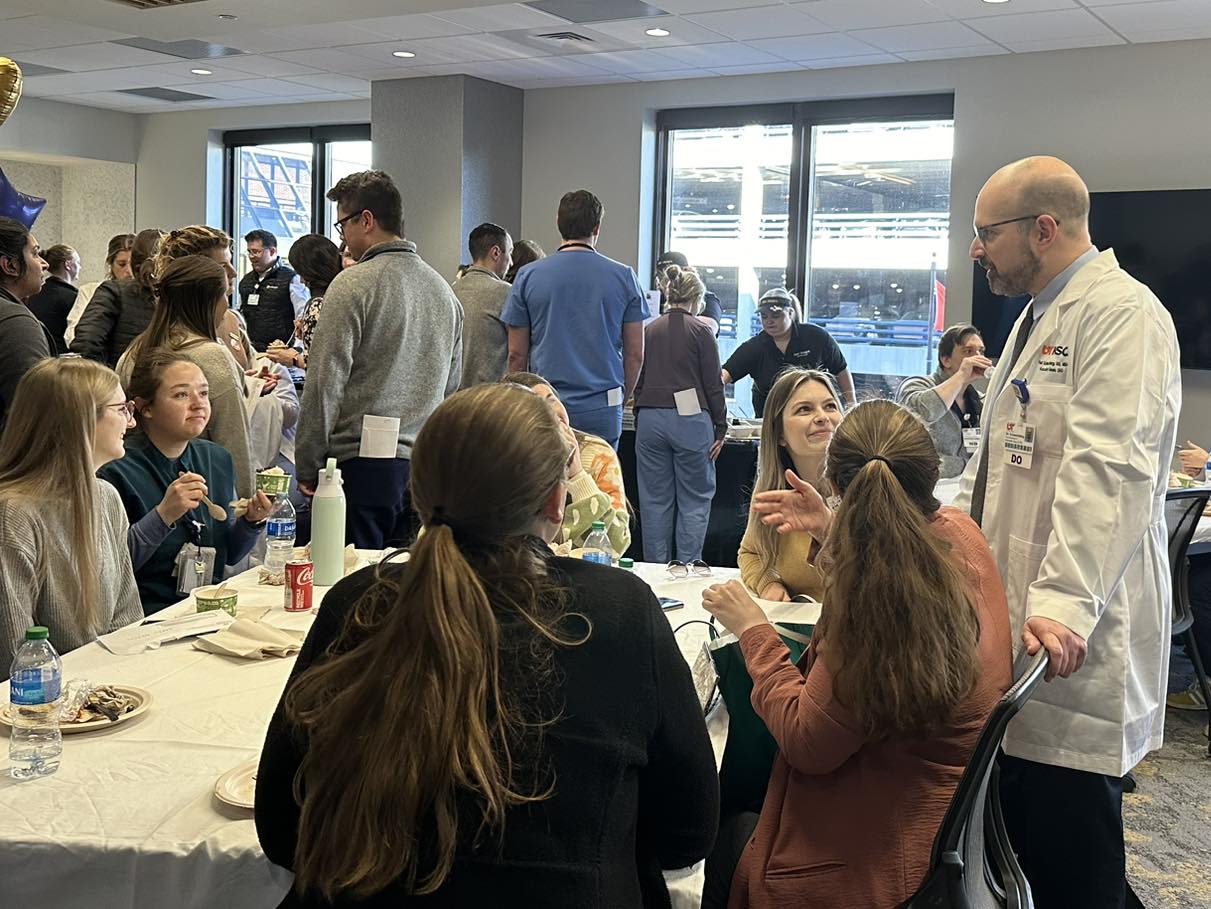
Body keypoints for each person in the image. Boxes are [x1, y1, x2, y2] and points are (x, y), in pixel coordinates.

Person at [256, 383, 718, 907]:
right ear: (554, 498)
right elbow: (688, 834)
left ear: (418, 491)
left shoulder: (357, 604)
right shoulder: (621, 610)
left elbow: (282, 828)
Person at [957, 155, 1180, 909]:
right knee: (1033, 844)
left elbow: (1108, 471)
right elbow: (992, 468)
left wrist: (1062, 601)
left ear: (1042, 229)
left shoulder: (1123, 315)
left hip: (1068, 636)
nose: (975, 250)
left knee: (1072, 850)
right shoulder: (1034, 314)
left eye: (986, 233)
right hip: (1019, 627)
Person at [701, 398, 1012, 909]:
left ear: (837, 484)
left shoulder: (875, 611)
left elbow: (807, 744)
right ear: (931, 471)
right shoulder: (960, 533)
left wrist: (755, 632)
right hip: (936, 825)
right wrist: (831, 530)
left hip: (873, 857)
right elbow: (900, 561)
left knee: (723, 828)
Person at [295, 170, 462, 548]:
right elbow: (451, 392)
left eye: (342, 226)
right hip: (424, 469)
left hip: (360, 468)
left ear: (366, 220)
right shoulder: (444, 293)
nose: (343, 239)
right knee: (407, 586)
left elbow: (324, 383)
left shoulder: (352, 285)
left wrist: (307, 463)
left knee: (355, 591)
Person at [99, 349, 273, 615]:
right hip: (146, 617)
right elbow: (111, 571)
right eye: (181, 394)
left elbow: (228, 555)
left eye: (203, 393)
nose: (198, 403)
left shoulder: (217, 458)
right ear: (144, 408)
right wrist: (162, 516)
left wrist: (251, 523)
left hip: (210, 607)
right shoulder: (115, 469)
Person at [0, 358, 143, 668]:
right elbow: (14, 657)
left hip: (108, 691)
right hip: (40, 705)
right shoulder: (13, 515)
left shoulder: (107, 497)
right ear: (82, 421)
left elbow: (127, 619)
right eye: (121, 409)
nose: (131, 422)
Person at [502, 190, 648, 449]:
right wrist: (620, 399)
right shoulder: (624, 277)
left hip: (547, 404)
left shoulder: (527, 276)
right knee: (600, 481)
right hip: (603, 405)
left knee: (549, 481)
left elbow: (516, 354)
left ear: (558, 222)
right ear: (597, 227)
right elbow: (635, 354)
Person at [119, 255, 257, 499]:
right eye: (224, 294)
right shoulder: (212, 356)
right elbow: (234, 440)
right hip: (202, 494)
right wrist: (247, 510)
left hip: (137, 488)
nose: (227, 304)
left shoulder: (134, 350)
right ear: (209, 302)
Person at [633, 264, 727, 563]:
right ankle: (685, 571)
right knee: (694, 500)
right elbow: (714, 385)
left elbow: (639, 376)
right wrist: (721, 427)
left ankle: (655, 573)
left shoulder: (649, 329)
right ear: (697, 297)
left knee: (653, 501)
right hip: (690, 421)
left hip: (649, 420)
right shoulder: (702, 331)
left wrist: (639, 413)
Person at [738, 368, 841, 602]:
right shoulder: (773, 490)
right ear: (779, 435)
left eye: (830, 406)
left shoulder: (869, 485)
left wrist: (827, 529)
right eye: (804, 409)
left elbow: (885, 572)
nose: (822, 417)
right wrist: (768, 584)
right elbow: (750, 553)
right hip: (799, 630)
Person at [503, 371, 631, 558]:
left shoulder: (596, 453)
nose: (553, 411)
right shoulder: (509, 460)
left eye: (552, 400)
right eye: (539, 406)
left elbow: (615, 544)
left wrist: (578, 474)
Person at [721, 287, 854, 417]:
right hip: (770, 419)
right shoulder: (754, 347)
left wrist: (851, 405)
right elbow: (723, 376)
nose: (769, 321)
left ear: (791, 313)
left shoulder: (816, 337)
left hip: (813, 414)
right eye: (764, 316)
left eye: (776, 315)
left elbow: (840, 369)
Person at [896, 323, 991, 478]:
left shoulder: (979, 400)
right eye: (968, 352)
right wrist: (961, 376)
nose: (978, 358)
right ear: (946, 360)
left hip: (962, 488)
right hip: (922, 486)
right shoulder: (916, 385)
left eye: (981, 352)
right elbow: (920, 414)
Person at [71, 228, 162, 367]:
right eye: (121, 264)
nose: (126, 271)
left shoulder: (112, 291)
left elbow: (86, 344)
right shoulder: (109, 291)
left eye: (128, 263)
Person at [0, 216, 52, 428]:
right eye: (35, 253)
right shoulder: (16, 323)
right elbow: (36, 414)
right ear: (10, 265)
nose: (44, 263)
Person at [264, 234, 343, 374]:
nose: (301, 281)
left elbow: (323, 368)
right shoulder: (342, 296)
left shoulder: (318, 304)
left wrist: (293, 359)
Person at [453, 222, 513, 389]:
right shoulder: (506, 293)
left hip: (454, 401)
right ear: (495, 252)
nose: (512, 262)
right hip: (490, 400)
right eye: (510, 253)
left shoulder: (451, 291)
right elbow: (518, 352)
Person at [237, 229, 305, 351]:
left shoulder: (291, 278)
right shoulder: (246, 281)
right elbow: (241, 313)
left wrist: (296, 349)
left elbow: (301, 316)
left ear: (272, 251)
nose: (251, 257)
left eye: (256, 252)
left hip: (281, 352)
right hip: (252, 350)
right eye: (249, 252)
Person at [65, 232, 134, 347]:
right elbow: (72, 336)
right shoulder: (89, 291)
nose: (129, 271)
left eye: (133, 264)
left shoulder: (147, 295)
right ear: (111, 264)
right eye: (122, 264)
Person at [25, 243, 80, 353]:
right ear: (68, 264)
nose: (80, 267)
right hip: (62, 356)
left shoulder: (34, 294)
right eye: (78, 262)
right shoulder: (72, 297)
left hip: (37, 352)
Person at [655, 250, 721, 335]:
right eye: (662, 277)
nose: (668, 282)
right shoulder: (655, 301)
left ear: (688, 272)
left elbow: (710, 327)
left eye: (674, 276)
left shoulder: (705, 298)